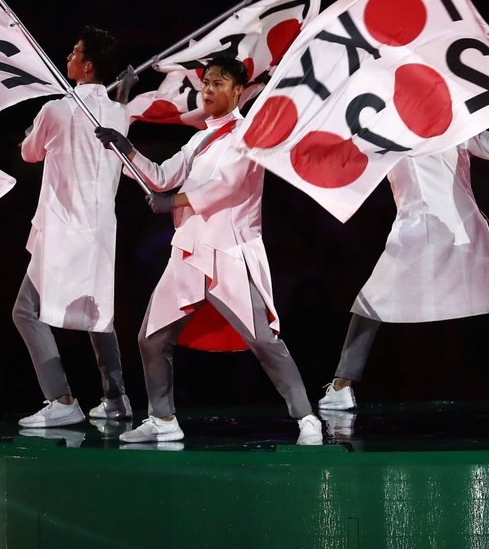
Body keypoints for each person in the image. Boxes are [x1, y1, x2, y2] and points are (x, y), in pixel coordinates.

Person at [95, 55, 322, 444]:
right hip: (188, 251)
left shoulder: (250, 133)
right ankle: (163, 420)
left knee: (264, 341)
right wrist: (127, 150)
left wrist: (175, 201)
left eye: (218, 82)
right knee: (151, 338)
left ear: (238, 91)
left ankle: (306, 419)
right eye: (206, 82)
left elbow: (228, 184)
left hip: (227, 251)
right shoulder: (200, 138)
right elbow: (162, 176)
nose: (208, 89)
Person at [317, 105, 489, 413]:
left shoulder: (391, 129)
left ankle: (342, 386)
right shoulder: (430, 124)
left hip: (420, 233)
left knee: (369, 307)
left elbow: (344, 160)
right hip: (455, 230)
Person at [14, 25, 137, 428]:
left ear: (87, 65)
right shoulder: (121, 113)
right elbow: (112, 116)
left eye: (74, 51)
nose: (67, 56)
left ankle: (61, 399)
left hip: (65, 230)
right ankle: (116, 399)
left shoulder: (56, 109)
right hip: (101, 231)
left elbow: (30, 154)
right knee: (98, 315)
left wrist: (29, 135)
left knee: (25, 312)